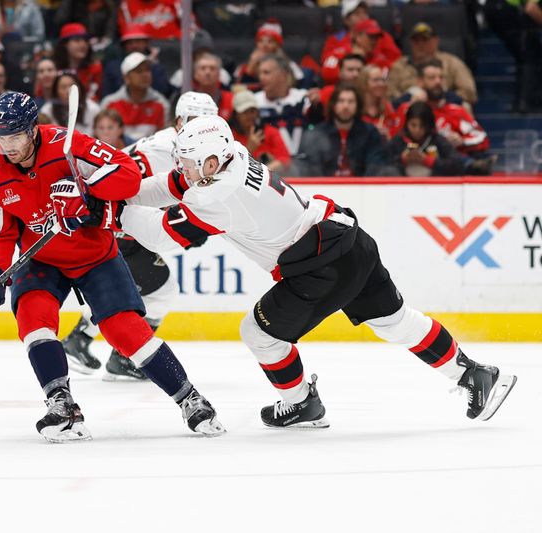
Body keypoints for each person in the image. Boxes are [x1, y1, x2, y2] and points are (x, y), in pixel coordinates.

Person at [111, 113, 517, 429]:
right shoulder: (228, 155)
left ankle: (301, 401)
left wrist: (115, 212)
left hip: (317, 267)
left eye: (188, 161)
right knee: (396, 320)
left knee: (259, 334)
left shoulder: (218, 195)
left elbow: (162, 236)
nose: (182, 167)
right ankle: (474, 374)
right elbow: (174, 184)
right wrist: (124, 193)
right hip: (346, 238)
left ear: (212, 161)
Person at [0, 91, 224, 441]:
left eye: (14, 136)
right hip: (42, 258)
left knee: (125, 331)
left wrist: (87, 191)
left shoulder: (67, 144)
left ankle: (189, 398)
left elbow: (128, 174)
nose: (7, 147)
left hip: (95, 254)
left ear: (32, 130)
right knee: (33, 318)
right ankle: (61, 403)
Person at [60, 91, 215, 379]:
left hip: (121, 222)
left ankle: (83, 341)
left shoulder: (175, 142)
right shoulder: (167, 148)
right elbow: (148, 190)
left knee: (139, 291)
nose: (201, 127)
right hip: (116, 223)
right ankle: (115, 354)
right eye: (195, 120)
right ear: (180, 121)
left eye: (208, 121)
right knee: (159, 291)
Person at [397, 59, 493, 174]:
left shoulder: (455, 111)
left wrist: (462, 141)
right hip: (411, 165)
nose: (438, 82)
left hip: (450, 168)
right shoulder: (407, 110)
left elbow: (482, 139)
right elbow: (395, 139)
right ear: (420, 82)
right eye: (432, 78)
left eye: (441, 77)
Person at [297, 85, 389, 177]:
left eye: (351, 102)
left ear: (358, 105)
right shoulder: (316, 134)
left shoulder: (370, 133)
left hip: (362, 188)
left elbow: (375, 166)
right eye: (341, 101)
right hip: (325, 188)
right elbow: (310, 168)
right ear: (333, 104)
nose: (346, 106)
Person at [386, 22, 477, 108]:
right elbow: (389, 96)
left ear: (435, 41)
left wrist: (442, 97)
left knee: (465, 106)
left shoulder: (452, 63)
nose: (420, 44)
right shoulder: (399, 66)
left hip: (444, 109)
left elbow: (470, 93)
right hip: (409, 112)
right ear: (410, 42)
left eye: (425, 40)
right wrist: (409, 97)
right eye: (416, 40)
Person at [255, 54, 324, 156]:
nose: (261, 77)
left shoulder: (303, 98)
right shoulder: (254, 102)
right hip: (270, 164)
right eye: (259, 73)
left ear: (283, 75)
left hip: (304, 163)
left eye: (266, 73)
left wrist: (320, 101)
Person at [320, 0, 400, 85]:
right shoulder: (335, 40)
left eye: (365, 13)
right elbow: (327, 72)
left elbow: (397, 63)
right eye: (357, 13)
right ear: (346, 19)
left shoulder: (383, 37)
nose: (363, 17)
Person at [100, 52, 169, 142]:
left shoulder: (161, 104)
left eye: (147, 70)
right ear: (126, 78)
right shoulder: (109, 103)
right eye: (139, 71)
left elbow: (163, 140)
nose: (145, 75)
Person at [386, 101, 465, 177]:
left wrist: (429, 161)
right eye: (413, 125)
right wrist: (402, 160)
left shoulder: (437, 140)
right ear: (406, 124)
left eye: (422, 126)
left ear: (429, 125)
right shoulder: (398, 141)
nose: (417, 130)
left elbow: (457, 164)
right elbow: (382, 164)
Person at [234, 20, 308, 93]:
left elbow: (296, 88)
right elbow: (239, 91)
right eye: (261, 41)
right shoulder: (243, 67)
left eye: (270, 41)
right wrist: (250, 68)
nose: (265, 45)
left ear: (277, 45)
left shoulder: (289, 65)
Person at [101, 24, 172, 99]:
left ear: (146, 43)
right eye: (130, 43)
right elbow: (107, 95)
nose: (134, 46)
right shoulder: (112, 67)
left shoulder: (155, 66)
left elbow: (163, 91)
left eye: (138, 41)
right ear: (124, 45)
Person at [229, 89, 290, 175]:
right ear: (236, 115)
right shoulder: (229, 136)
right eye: (245, 112)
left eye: (252, 111)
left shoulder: (271, 132)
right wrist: (248, 149)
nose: (250, 115)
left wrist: (264, 171)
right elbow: (229, 168)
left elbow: (285, 160)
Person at [40, 71, 100, 135]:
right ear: (56, 91)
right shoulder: (47, 110)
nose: (68, 91)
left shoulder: (93, 109)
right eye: (63, 87)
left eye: (72, 86)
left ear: (80, 88)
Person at [53, 23, 102, 101]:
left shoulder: (95, 69)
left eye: (86, 41)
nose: (83, 45)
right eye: (77, 40)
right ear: (65, 44)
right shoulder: (53, 70)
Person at [358, 64, 399, 140]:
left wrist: (387, 134)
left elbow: (395, 136)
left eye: (382, 80)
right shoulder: (356, 107)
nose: (381, 84)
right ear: (364, 83)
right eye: (375, 80)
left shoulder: (387, 107)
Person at [191, 52, 233, 121]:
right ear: (195, 74)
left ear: (219, 74)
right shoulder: (188, 100)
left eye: (212, 68)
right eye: (203, 68)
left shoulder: (230, 99)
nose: (208, 72)